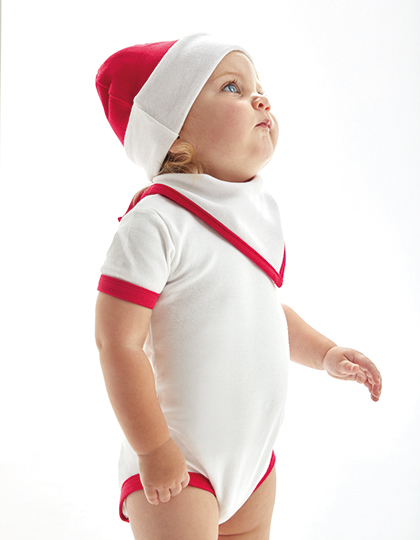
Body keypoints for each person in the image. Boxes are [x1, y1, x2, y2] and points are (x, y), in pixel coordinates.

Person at [94, 33, 382, 540]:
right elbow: (116, 342)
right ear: (174, 135)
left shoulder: (254, 213)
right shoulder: (156, 220)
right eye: (233, 87)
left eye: (259, 88)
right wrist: (153, 448)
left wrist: (326, 353)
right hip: (178, 462)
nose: (260, 99)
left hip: (255, 464)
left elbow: (263, 311)